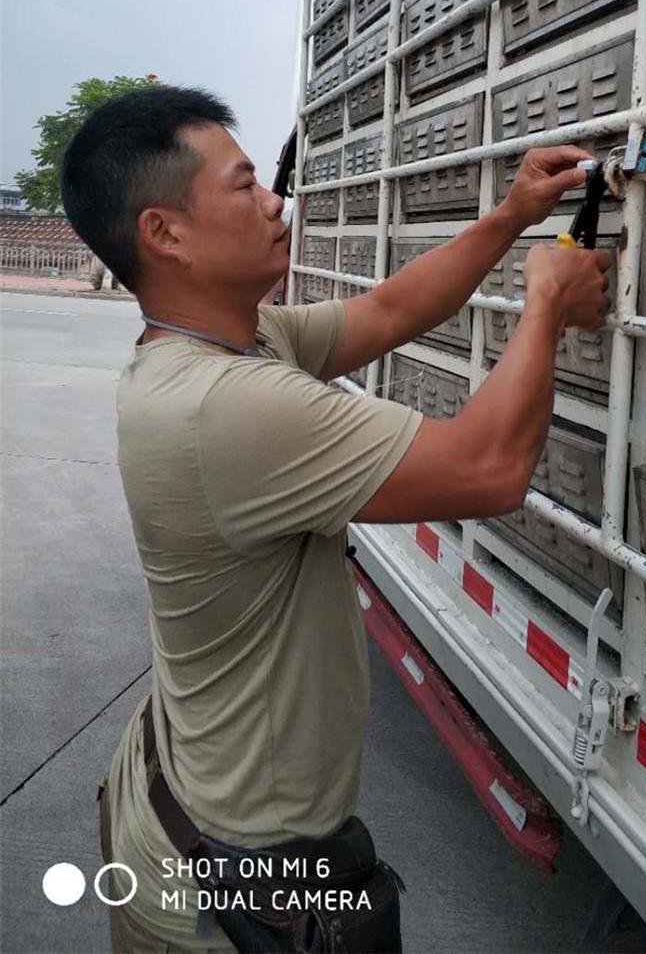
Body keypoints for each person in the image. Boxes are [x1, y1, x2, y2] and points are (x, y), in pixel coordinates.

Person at [60, 85, 611, 953]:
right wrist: (545, 302)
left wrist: (511, 216)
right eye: (245, 185)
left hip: (179, 796)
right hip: (233, 884)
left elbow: (390, 310)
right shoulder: (223, 406)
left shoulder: (227, 340)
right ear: (166, 233)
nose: (275, 201)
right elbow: (490, 467)